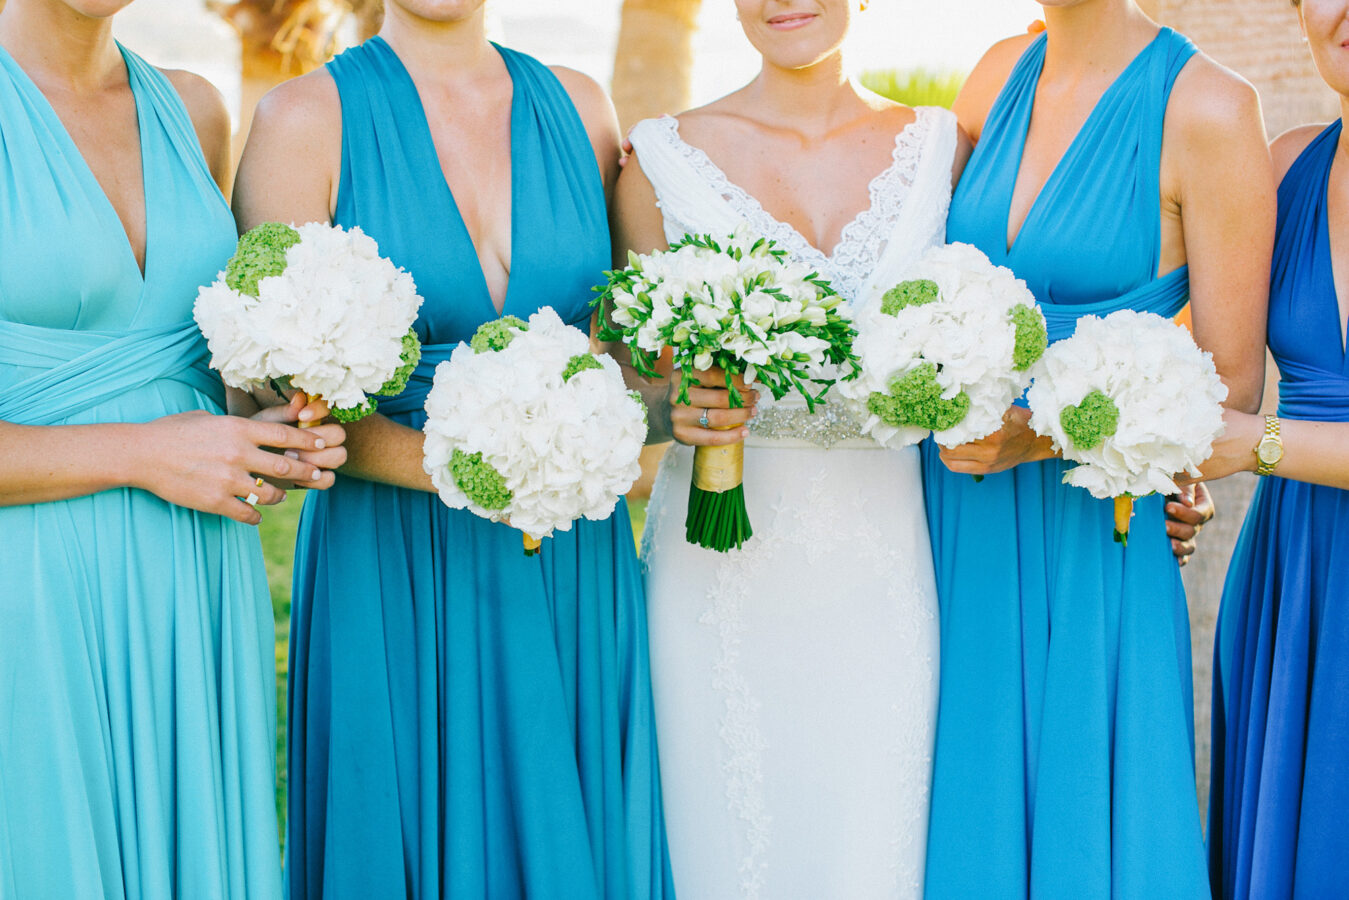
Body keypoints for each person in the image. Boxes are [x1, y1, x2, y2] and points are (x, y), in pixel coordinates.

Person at [232, 1, 674, 896]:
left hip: (568, 555)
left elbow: (634, 363)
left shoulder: (583, 107)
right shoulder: (301, 120)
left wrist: (669, 410)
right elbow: (271, 396)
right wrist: (471, 467)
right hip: (394, 562)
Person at [612, 0, 969, 894]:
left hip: (889, 561)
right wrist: (673, 407)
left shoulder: (941, 147)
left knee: (873, 833)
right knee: (722, 831)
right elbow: (628, 379)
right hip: (718, 569)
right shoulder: (657, 156)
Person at [919, 1, 1274, 895]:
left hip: (1094, 532)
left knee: (1091, 827)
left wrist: (1035, 438)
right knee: (959, 808)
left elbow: (1227, 390)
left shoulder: (1208, 108)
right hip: (953, 517)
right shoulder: (994, 72)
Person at [0, 1, 344, 897]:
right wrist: (143, 453)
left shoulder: (193, 109)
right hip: (32, 583)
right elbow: (158, 432)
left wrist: (281, 408)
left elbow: (202, 366)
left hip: (196, 570)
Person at [1203, 1, 1349, 894]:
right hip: (1294, 580)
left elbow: (1242, 432)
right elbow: (1191, 368)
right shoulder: (1286, 165)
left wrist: (1248, 443)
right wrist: (1167, 466)